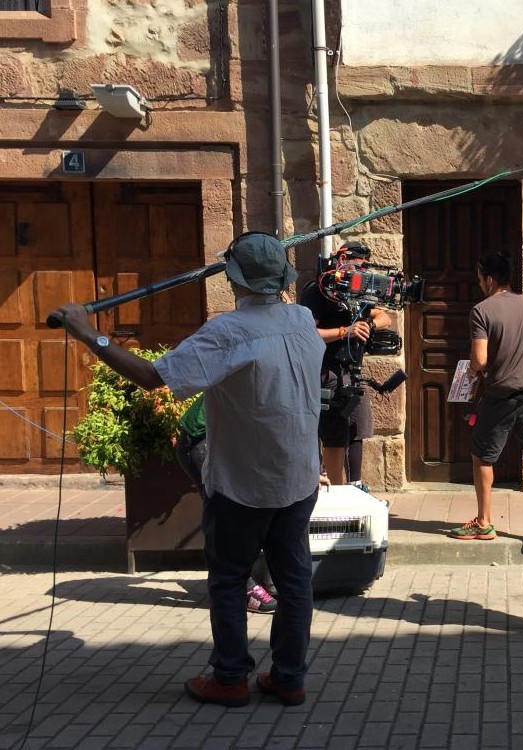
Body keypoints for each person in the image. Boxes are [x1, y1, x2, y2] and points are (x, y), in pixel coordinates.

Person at [55, 231, 325, 708]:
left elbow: (152, 376)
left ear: (233, 279)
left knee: (228, 579)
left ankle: (231, 678)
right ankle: (288, 678)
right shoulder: (302, 319)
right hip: (298, 477)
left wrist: (88, 333)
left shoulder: (228, 332)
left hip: (243, 483)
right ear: (282, 278)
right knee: (294, 578)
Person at [449, 252, 523, 543]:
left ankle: (485, 522)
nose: (479, 284)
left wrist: (471, 371)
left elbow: (480, 359)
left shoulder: (481, 311)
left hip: (499, 396)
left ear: (489, 279)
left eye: (479, 279)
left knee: (482, 457)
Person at [175, 393, 277, 614]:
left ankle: (237, 585)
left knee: (238, 518)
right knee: (226, 520)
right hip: (202, 442)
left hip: (217, 440)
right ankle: (242, 589)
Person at [299, 274, 392, 485]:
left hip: (352, 372)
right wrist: (345, 331)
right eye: (357, 262)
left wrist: (369, 325)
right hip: (327, 372)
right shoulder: (318, 291)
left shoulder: (358, 291)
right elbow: (306, 334)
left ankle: (355, 487)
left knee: (356, 431)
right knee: (335, 436)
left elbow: (384, 317)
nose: (361, 268)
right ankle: (336, 490)